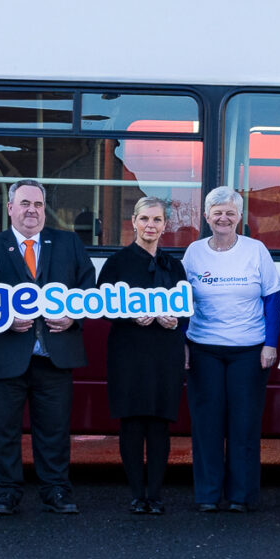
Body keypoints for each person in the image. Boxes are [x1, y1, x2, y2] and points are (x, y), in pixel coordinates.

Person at [0, 179, 94, 515]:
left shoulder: (69, 243)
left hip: (55, 354)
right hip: (6, 354)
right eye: (25, 203)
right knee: (1, 428)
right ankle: (6, 491)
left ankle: (55, 490)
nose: (32, 211)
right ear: (10, 207)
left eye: (39, 205)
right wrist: (1, 319)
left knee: (55, 429)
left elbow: (88, 288)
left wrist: (74, 317)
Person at [183, 186, 280, 512]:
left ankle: (241, 496)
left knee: (244, 424)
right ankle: (208, 495)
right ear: (207, 216)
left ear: (239, 217)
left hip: (249, 351)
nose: (223, 218)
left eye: (230, 212)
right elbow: (183, 302)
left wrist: (270, 344)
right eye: (217, 212)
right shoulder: (194, 253)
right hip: (203, 349)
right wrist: (183, 344)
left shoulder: (256, 250)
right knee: (207, 425)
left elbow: (272, 299)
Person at [102, 195, 188, 513]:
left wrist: (175, 320)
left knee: (159, 423)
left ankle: (156, 494)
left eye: (156, 220)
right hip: (128, 352)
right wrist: (129, 316)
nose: (150, 225)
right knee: (132, 423)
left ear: (165, 226)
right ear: (134, 222)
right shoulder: (116, 263)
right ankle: (137, 494)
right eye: (145, 219)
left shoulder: (173, 265)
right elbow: (102, 308)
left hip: (165, 352)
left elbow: (188, 310)